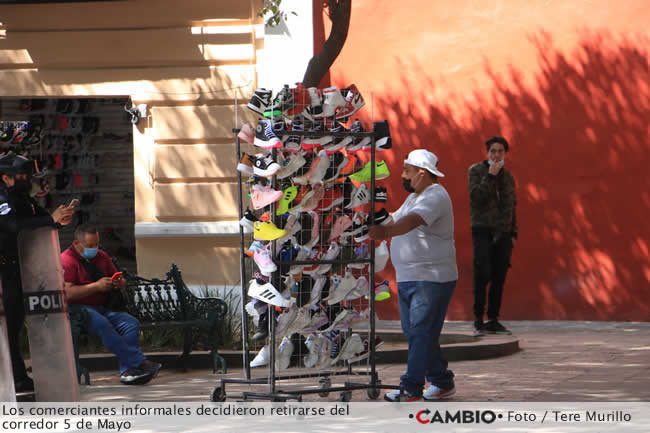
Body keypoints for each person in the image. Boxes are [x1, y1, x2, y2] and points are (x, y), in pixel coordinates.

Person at [369, 149, 458, 402]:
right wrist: (376, 220)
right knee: (417, 333)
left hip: (432, 278)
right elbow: (396, 218)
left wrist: (386, 233)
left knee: (419, 332)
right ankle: (441, 382)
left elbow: (411, 222)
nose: (402, 175)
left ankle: (411, 387)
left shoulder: (435, 196)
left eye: (406, 171)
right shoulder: (415, 197)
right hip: (411, 276)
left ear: (421, 173)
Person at [0, 153, 75, 393]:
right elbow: (12, 226)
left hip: (25, 270)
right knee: (9, 326)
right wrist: (47, 221)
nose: (25, 179)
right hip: (5, 271)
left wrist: (58, 219)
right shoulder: (1, 198)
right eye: (20, 176)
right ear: (6, 178)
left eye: (27, 175)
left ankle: (20, 376)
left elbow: (40, 218)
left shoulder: (22, 197)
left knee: (18, 324)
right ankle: (17, 378)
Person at [61, 223, 161, 385]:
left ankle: (129, 371)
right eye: (89, 246)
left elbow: (116, 276)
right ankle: (140, 362)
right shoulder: (67, 260)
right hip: (79, 310)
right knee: (103, 323)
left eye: (96, 244)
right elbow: (68, 293)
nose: (94, 248)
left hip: (104, 307)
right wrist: (96, 286)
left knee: (130, 323)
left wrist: (119, 282)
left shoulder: (102, 256)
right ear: (76, 244)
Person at [468, 136, 517, 336]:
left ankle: (493, 318)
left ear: (505, 154)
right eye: (493, 151)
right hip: (482, 229)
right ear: (487, 153)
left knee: (499, 276)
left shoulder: (509, 177)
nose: (496, 155)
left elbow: (512, 205)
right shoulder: (476, 171)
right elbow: (476, 198)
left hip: (503, 232)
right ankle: (478, 318)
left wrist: (513, 232)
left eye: (500, 152)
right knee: (482, 273)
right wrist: (490, 176)